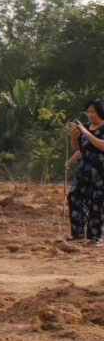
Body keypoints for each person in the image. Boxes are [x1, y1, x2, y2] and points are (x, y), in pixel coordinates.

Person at [66, 99, 104, 245]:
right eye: (88, 112)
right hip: (84, 170)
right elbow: (78, 148)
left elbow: (101, 145)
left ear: (100, 112)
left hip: (100, 172)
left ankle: (95, 236)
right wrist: (74, 135)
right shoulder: (86, 127)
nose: (90, 115)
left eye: (93, 112)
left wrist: (86, 133)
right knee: (74, 197)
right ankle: (78, 233)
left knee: (97, 203)